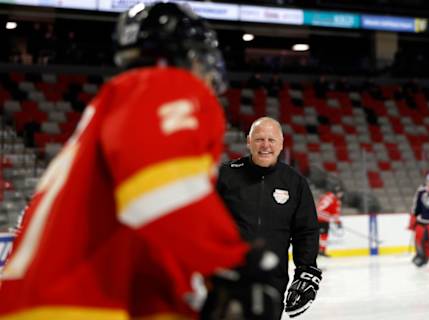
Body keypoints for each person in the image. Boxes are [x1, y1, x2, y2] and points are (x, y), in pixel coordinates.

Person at [0, 3, 281, 320]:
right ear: (187, 57)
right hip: (77, 304)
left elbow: (139, 235)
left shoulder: (114, 110)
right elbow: (158, 190)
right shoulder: (164, 85)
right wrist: (233, 263)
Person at [216, 117, 322, 318]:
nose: (265, 145)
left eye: (271, 140)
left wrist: (306, 269)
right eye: (259, 139)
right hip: (227, 279)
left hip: (272, 280)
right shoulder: (225, 176)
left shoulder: (295, 183)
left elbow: (306, 231)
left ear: (281, 144)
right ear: (248, 141)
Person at [316, 186, 343, 257]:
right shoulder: (335, 200)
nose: (341, 195)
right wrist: (337, 222)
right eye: (340, 193)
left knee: (317, 235)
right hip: (322, 219)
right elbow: (335, 213)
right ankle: (321, 250)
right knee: (324, 235)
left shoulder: (326, 195)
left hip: (315, 217)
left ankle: (319, 250)